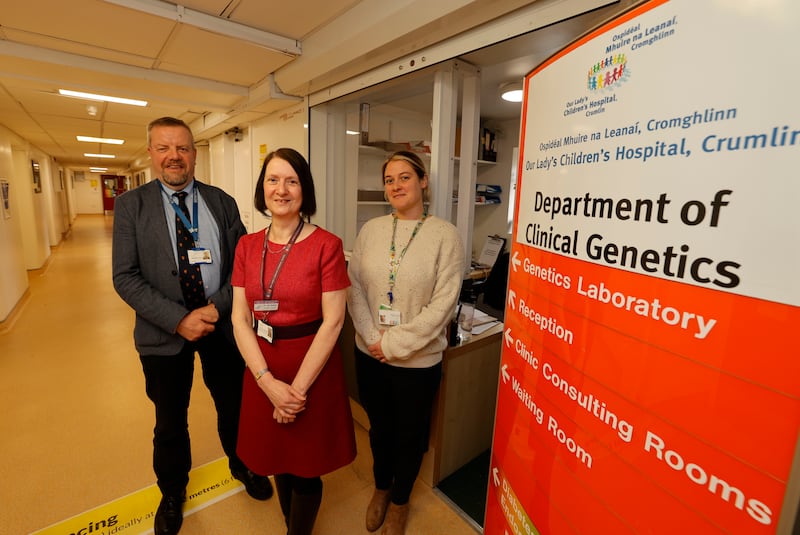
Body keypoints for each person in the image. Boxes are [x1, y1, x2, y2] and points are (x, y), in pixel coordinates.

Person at [112, 117, 273, 535]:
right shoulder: (133, 206)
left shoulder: (221, 202)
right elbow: (125, 277)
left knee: (233, 406)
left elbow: (242, 268)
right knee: (169, 420)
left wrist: (215, 311)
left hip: (221, 327)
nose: (174, 156)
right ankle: (171, 492)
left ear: (194, 154)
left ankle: (244, 465)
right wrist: (179, 319)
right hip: (163, 335)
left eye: (182, 148)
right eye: (164, 148)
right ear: (151, 153)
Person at [231, 147, 356, 535]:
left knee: (305, 468)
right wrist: (267, 383)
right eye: (272, 179)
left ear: (305, 190)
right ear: (262, 187)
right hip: (261, 363)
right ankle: (290, 525)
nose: (281, 189)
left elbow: (333, 322)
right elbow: (239, 317)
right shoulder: (247, 246)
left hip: (311, 367)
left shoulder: (326, 245)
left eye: (291, 180)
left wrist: (295, 393)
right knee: (276, 458)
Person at [347, 150, 465, 535]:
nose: (396, 186)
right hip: (370, 355)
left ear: (422, 181)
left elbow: (443, 304)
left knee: (410, 436)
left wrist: (393, 343)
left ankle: (400, 502)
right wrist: (370, 337)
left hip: (417, 362)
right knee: (379, 430)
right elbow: (353, 289)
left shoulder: (445, 235)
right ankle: (381, 489)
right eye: (389, 180)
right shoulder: (371, 230)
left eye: (404, 177)